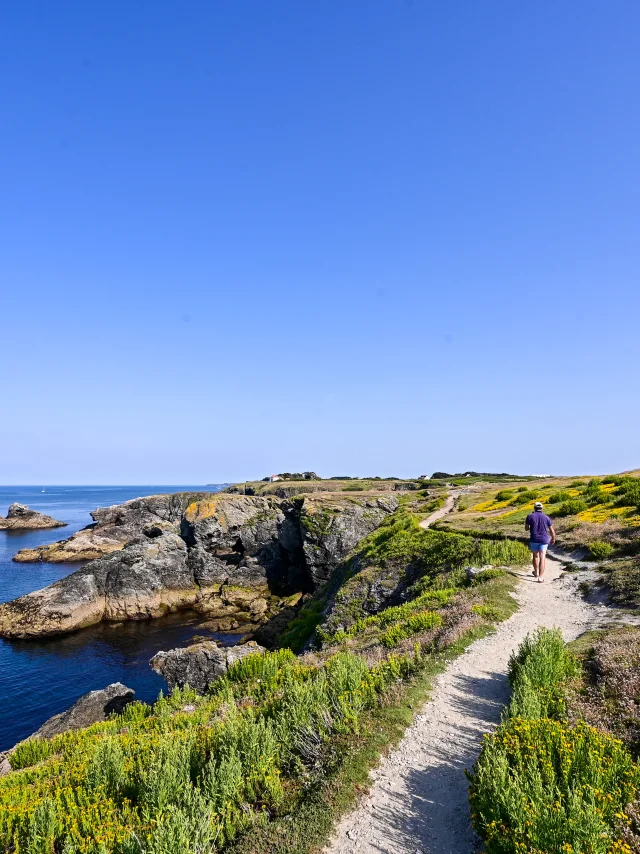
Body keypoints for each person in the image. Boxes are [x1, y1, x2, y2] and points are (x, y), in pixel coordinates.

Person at [525, 501, 555, 583]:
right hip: (544, 539)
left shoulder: (530, 516)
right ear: (541, 508)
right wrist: (553, 538)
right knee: (542, 557)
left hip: (534, 539)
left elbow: (526, 528)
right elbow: (551, 530)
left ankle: (536, 572)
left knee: (535, 556)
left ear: (534, 508)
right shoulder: (546, 517)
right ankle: (540, 577)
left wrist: (531, 525)